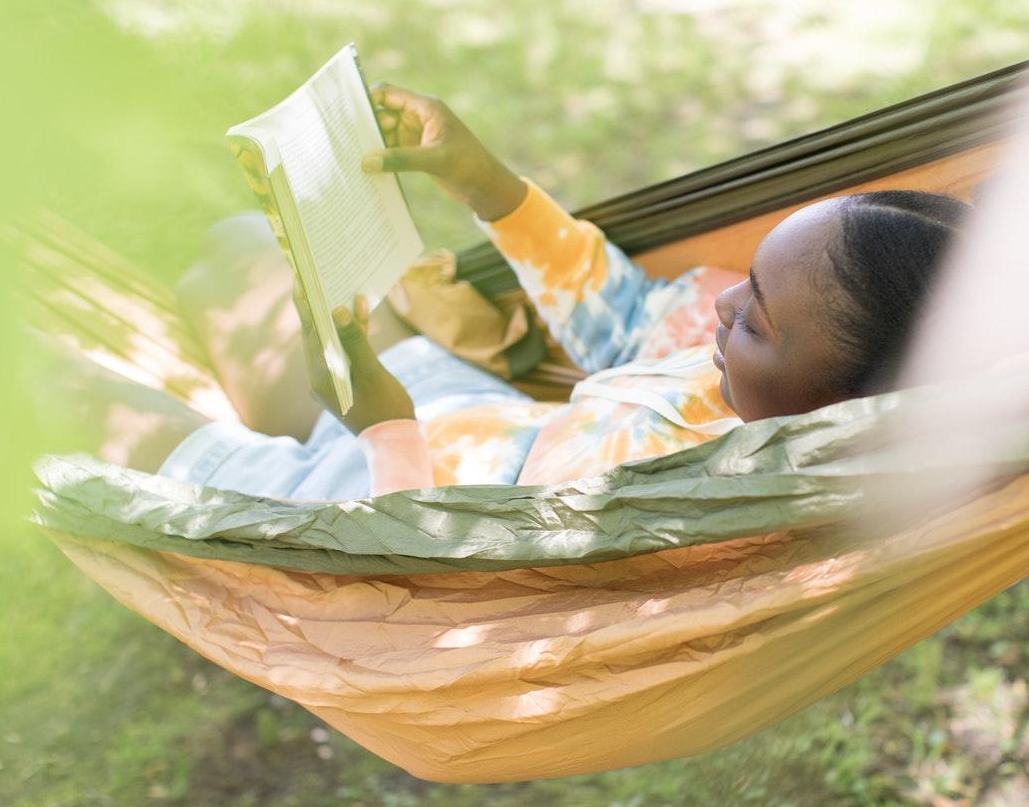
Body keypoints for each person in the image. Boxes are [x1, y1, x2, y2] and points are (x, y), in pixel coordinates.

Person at [58, 84, 970, 499]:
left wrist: (382, 428)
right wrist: (485, 182)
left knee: (65, 394)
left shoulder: (690, 506)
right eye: (753, 275)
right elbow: (622, 316)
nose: (727, 307)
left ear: (849, 411)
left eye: (758, 319)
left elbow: (455, 576)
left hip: (363, 495)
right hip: (454, 406)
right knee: (234, 250)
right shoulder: (738, 348)